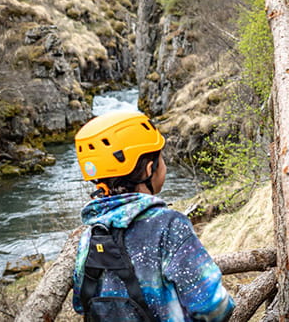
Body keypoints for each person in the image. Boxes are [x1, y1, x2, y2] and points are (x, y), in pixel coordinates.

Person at [71, 111, 235, 321]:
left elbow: (80, 304)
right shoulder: (169, 226)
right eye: (161, 156)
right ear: (150, 168)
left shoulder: (91, 234)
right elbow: (214, 307)